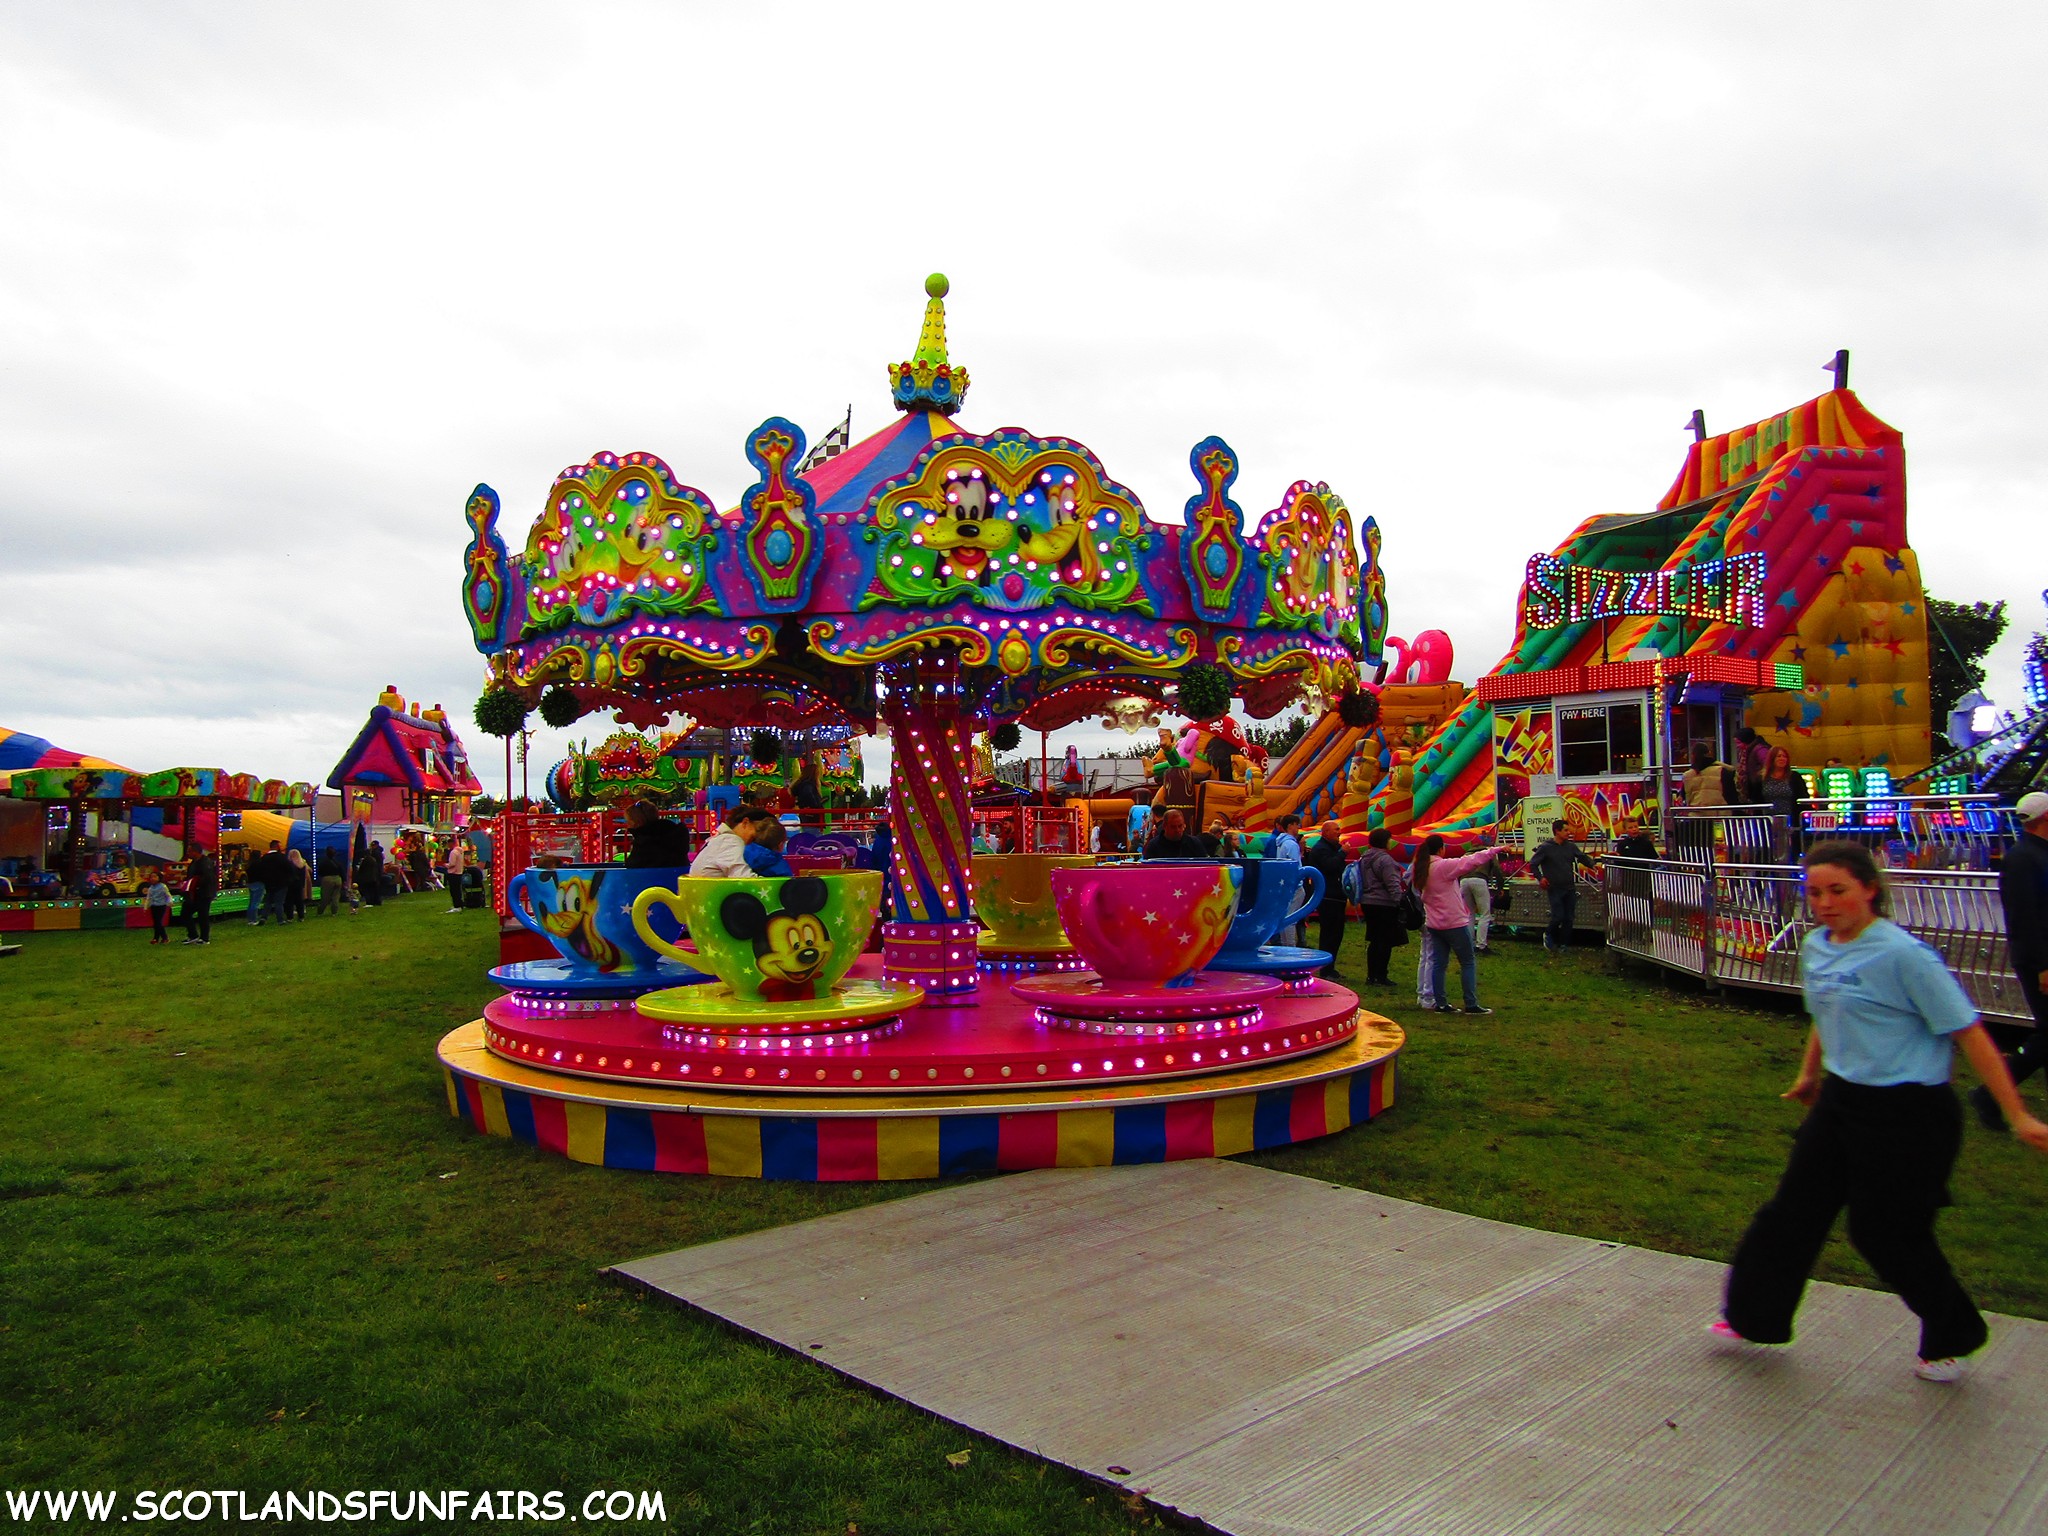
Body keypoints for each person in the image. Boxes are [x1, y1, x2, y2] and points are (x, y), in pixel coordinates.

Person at [1717, 841, 2048, 1382]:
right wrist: (1810, 1073)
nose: (1824, 903)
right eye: (1814, 893)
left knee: (1886, 1234)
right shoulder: (1817, 946)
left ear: (1869, 888)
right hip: (1843, 1102)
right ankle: (1754, 1317)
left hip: (1910, 1113)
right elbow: (1828, 1011)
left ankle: (1954, 1334)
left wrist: (2018, 1116)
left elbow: (1971, 1034)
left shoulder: (1904, 956)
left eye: (1837, 891)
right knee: (1790, 1214)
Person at [1972, 790, 2048, 1132]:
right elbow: (2024, 918)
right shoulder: (2022, 860)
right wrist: (2042, 965)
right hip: (2040, 960)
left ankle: (1990, 1095)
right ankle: (1989, 1094)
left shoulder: (2035, 855)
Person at [1413, 833, 1499, 1014]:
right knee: (1467, 961)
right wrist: (1495, 850)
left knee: (1439, 964)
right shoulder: (1442, 866)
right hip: (1453, 923)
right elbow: (1471, 861)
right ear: (1441, 849)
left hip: (1434, 924)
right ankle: (1471, 1003)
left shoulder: (1421, 868)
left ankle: (1441, 1003)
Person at [1527, 820, 1599, 953]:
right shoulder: (1546, 847)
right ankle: (1548, 934)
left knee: (1569, 917)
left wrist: (1592, 864)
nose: (1568, 833)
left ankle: (1564, 944)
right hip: (1554, 887)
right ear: (1557, 831)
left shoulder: (1570, 846)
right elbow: (1533, 864)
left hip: (1569, 887)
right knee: (1558, 915)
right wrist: (1540, 878)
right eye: (1565, 830)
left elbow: (1581, 857)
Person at [1350, 827, 1406, 988]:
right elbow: (1392, 883)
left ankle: (1371, 974)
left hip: (1367, 901)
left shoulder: (1364, 858)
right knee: (1385, 941)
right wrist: (1400, 901)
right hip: (1384, 903)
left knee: (1374, 939)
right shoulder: (1385, 860)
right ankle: (1381, 975)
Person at [1304, 820, 1350, 978]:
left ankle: (1331, 966)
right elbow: (1329, 866)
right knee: (1329, 934)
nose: (1339, 832)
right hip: (1328, 896)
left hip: (1337, 896)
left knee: (1337, 934)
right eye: (1336, 829)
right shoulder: (1321, 849)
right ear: (1326, 832)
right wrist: (1342, 853)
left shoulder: (1332, 847)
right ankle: (1325, 968)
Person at [1757, 746, 1811, 862]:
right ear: (1771, 759)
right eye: (1779, 756)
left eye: (1784, 756)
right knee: (1769, 853)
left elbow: (1803, 798)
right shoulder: (1761, 778)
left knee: (1792, 852)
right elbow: (1757, 799)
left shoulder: (1794, 777)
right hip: (1768, 822)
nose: (1782, 759)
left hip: (1791, 822)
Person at [689, 804, 761, 878]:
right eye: (760, 829)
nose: (761, 836)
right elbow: (744, 877)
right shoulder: (731, 841)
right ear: (745, 823)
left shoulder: (720, 840)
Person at [1269, 814, 1307, 944]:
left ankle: (1286, 945)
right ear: (1290, 826)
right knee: (1291, 919)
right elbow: (1294, 865)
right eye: (1297, 824)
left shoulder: (1281, 842)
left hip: (1286, 884)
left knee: (1286, 917)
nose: (1298, 827)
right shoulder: (1291, 844)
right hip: (1294, 885)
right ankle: (1290, 947)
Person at [622, 799, 692, 868]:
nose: (627, 826)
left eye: (629, 822)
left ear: (636, 823)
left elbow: (633, 867)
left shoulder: (643, 843)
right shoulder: (676, 835)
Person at [180, 850, 217, 945]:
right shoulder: (194, 862)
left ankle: (205, 938)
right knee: (185, 913)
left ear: (196, 851)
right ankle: (193, 935)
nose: (188, 853)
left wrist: (196, 884)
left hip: (204, 893)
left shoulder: (206, 863)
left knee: (203, 916)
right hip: (193, 893)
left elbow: (207, 878)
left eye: (190, 850)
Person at [1142, 808, 1209, 860]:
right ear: (1164, 826)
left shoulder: (1194, 843)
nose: (1177, 830)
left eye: (1180, 826)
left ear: (1184, 825)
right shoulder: (1153, 846)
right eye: (1173, 827)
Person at [1734, 725, 1771, 803]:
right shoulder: (1746, 751)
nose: (1737, 746)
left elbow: (1768, 765)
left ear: (1746, 740)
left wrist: (1758, 776)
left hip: (1760, 789)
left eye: (1738, 743)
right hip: (1754, 788)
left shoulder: (1760, 750)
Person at [1460, 871, 1493, 954]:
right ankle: (1481, 945)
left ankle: (1469, 943)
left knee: (1469, 913)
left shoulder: (1466, 856)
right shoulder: (1487, 857)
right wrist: (1500, 885)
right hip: (1480, 880)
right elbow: (1496, 868)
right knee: (1485, 914)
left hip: (1463, 880)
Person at [145, 870, 172, 944]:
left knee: (158, 922)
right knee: (156, 923)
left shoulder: (163, 886)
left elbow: (168, 895)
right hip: (154, 906)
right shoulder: (151, 888)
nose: (152, 879)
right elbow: (148, 898)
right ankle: (156, 938)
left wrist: (170, 902)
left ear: (159, 878)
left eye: (155, 877)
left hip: (161, 906)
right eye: (151, 877)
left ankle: (165, 938)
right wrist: (146, 907)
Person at [316, 846, 346, 915]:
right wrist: (344, 880)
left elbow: (320, 872)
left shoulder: (323, 862)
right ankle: (334, 912)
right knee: (336, 896)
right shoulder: (337, 862)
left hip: (327, 879)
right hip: (338, 879)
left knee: (325, 896)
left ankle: (320, 911)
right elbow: (342, 871)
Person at [283, 848, 311, 922]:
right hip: (299, 885)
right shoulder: (303, 864)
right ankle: (301, 916)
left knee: (289, 901)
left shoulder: (289, 864)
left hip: (290, 885)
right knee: (299, 901)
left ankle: (290, 917)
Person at [355, 842, 386, 907]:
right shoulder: (373, 859)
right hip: (374, 877)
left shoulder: (366, 860)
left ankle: (369, 902)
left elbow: (361, 869)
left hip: (367, 878)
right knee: (374, 890)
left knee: (368, 890)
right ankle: (376, 902)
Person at [443, 837, 470, 912]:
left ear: (451, 843)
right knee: (458, 889)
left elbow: (452, 863)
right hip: (459, 872)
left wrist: (446, 865)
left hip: (453, 873)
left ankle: (456, 905)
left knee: (454, 890)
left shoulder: (453, 852)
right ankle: (460, 904)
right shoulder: (461, 851)